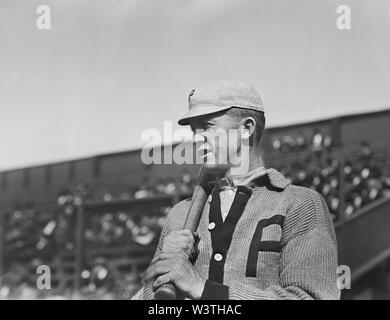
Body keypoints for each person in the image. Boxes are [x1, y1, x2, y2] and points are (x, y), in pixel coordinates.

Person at [132, 79, 339, 300]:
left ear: (246, 129)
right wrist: (157, 283)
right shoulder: (179, 215)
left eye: (208, 127)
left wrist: (202, 288)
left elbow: (309, 298)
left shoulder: (300, 204)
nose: (197, 138)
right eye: (194, 130)